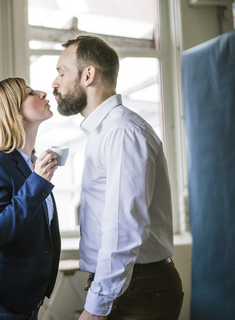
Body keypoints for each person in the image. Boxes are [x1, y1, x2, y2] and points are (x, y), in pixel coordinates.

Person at [52, 35, 184, 320]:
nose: (54, 83)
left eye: (62, 72)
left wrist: (95, 309)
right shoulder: (104, 132)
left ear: (89, 75)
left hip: (139, 288)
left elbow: (123, 228)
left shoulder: (123, 133)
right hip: (128, 284)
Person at [0, 77, 61, 320]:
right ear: (12, 112)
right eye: (30, 93)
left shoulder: (31, 166)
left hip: (25, 302)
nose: (43, 93)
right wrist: (37, 183)